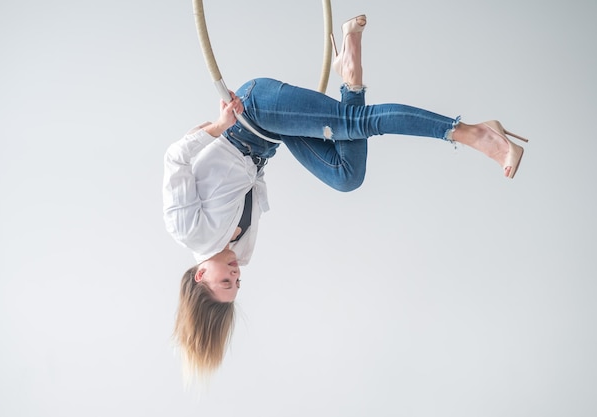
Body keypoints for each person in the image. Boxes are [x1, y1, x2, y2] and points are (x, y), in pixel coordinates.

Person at [162, 15, 528, 379]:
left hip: (252, 110)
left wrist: (218, 126)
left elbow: (175, 158)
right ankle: (350, 69)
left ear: (200, 276)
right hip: (269, 137)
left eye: (226, 282)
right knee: (346, 176)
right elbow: (245, 179)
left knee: (357, 123)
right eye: (238, 284)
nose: (236, 275)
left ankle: (476, 134)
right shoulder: (242, 251)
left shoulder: (187, 231)